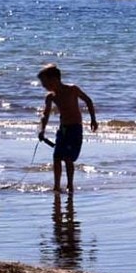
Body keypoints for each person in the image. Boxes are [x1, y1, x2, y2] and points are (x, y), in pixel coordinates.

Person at [37, 64, 98, 194]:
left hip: (75, 129)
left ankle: (70, 185)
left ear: (54, 79)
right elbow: (45, 115)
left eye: (45, 83)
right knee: (57, 157)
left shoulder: (72, 89)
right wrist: (42, 130)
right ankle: (56, 186)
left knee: (68, 158)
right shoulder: (51, 97)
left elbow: (88, 100)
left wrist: (93, 119)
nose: (44, 86)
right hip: (63, 129)